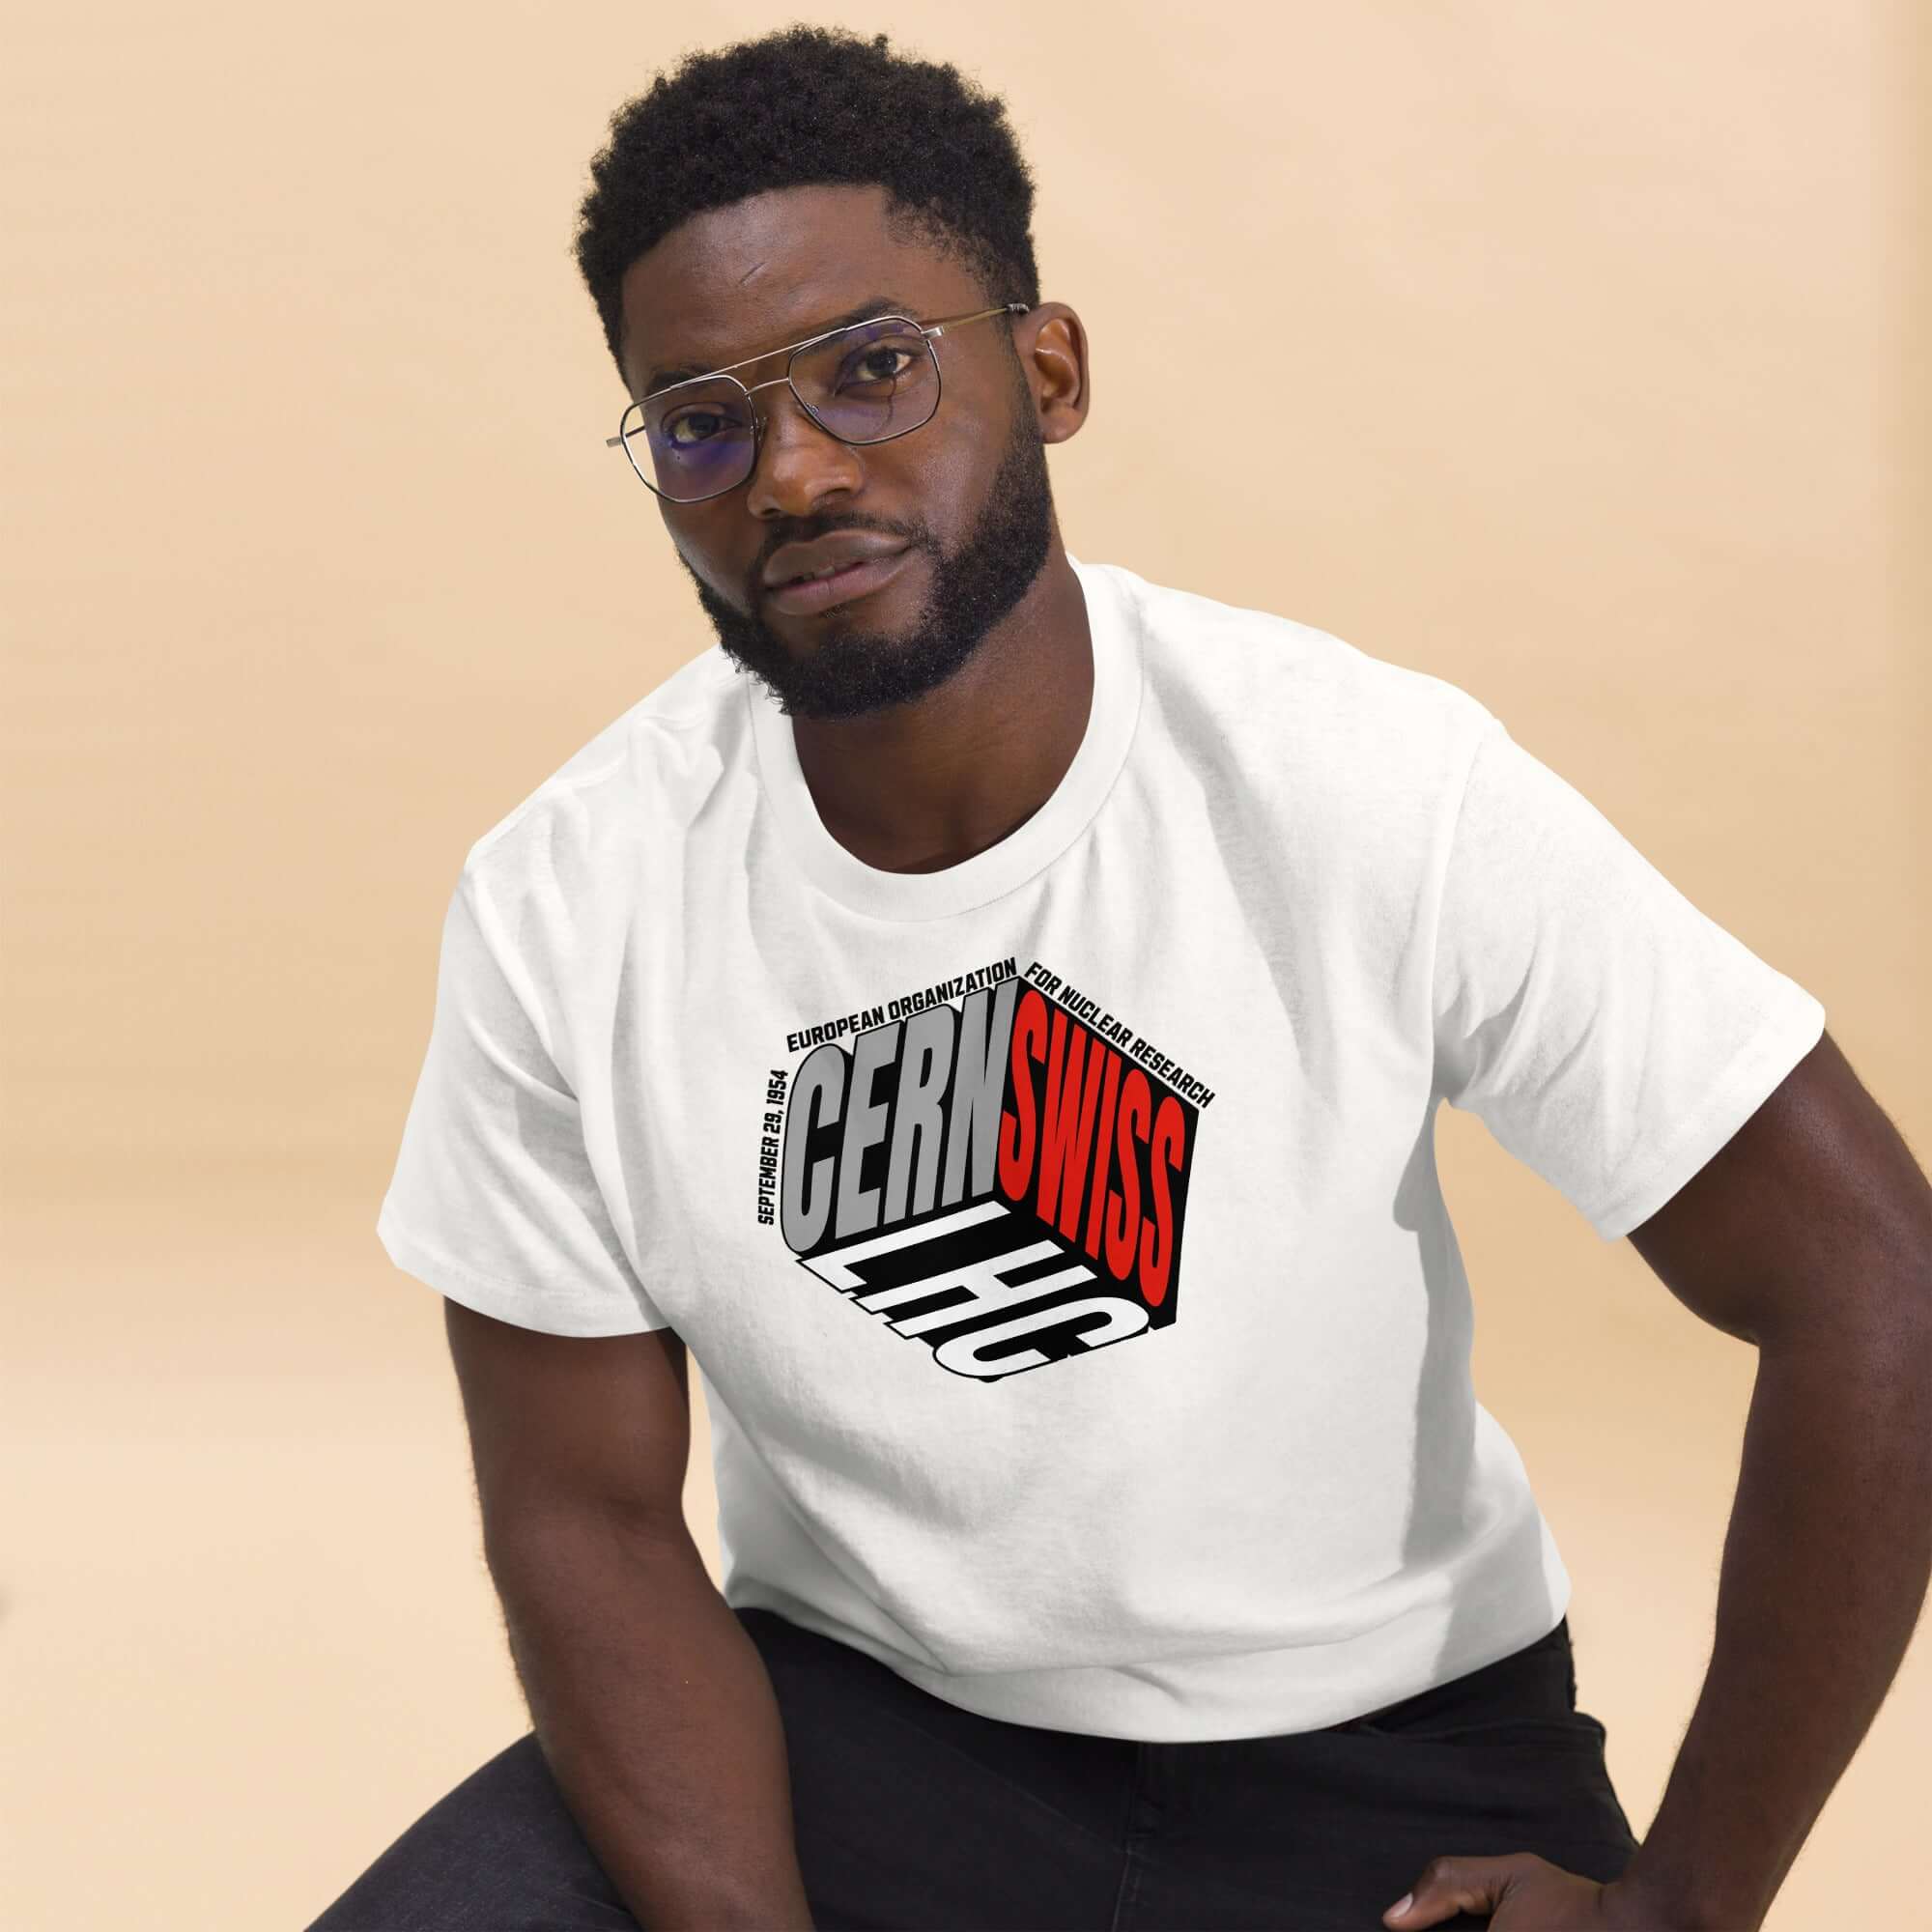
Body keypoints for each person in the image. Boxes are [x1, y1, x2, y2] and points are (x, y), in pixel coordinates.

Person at [308, 25, 1932, 1932]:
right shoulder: (565, 899)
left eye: (871, 369)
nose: (794, 472)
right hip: (857, 1734)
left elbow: (1872, 1282)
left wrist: (1684, 1906)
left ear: (1048, 369)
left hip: (1379, 1759)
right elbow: (580, 1513)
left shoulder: (1360, 780)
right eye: (700, 423)